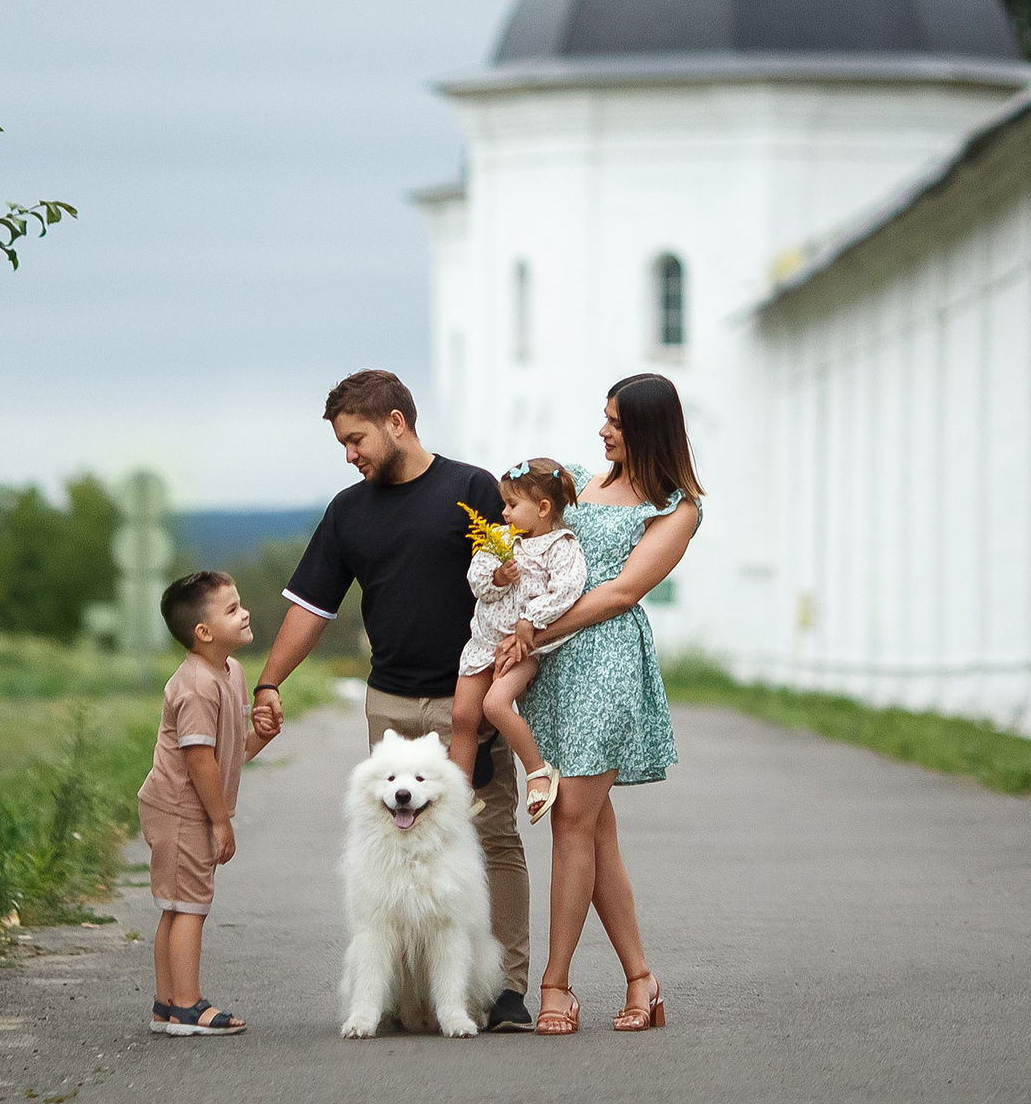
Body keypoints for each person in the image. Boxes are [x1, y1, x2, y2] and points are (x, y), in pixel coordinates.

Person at [249, 369, 537, 1033]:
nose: (350, 454)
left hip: (469, 697)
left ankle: (505, 991)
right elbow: (311, 607)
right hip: (391, 706)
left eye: (357, 440)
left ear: (396, 423)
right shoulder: (349, 511)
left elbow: (524, 580)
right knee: (396, 848)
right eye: (344, 444)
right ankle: (410, 993)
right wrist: (268, 682)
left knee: (490, 836)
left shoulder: (472, 490)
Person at [499, 372, 700, 1035]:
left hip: (607, 661)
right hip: (554, 665)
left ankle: (556, 985)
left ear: (647, 429)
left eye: (616, 421)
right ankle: (642, 978)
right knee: (594, 829)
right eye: (604, 417)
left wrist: (535, 631)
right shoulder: (580, 481)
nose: (602, 430)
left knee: (570, 819)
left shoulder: (676, 509)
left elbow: (620, 593)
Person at [137, 569, 273, 1035]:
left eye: (241, 603)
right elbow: (199, 761)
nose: (245, 613)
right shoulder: (196, 684)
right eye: (232, 609)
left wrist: (262, 736)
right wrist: (220, 821)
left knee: (177, 905)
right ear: (204, 632)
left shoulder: (231, 673)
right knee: (190, 907)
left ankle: (167, 1003)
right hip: (180, 808)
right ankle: (186, 1006)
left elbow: (228, 752)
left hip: (185, 806)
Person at [449, 460, 586, 825]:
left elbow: (567, 590)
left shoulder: (561, 546)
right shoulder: (500, 539)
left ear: (543, 508)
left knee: (495, 705)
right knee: (462, 716)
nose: (504, 512)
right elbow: (476, 579)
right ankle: (457, 796)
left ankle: (537, 771)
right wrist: (497, 577)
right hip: (483, 643)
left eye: (512, 505)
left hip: (521, 649)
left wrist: (530, 620)